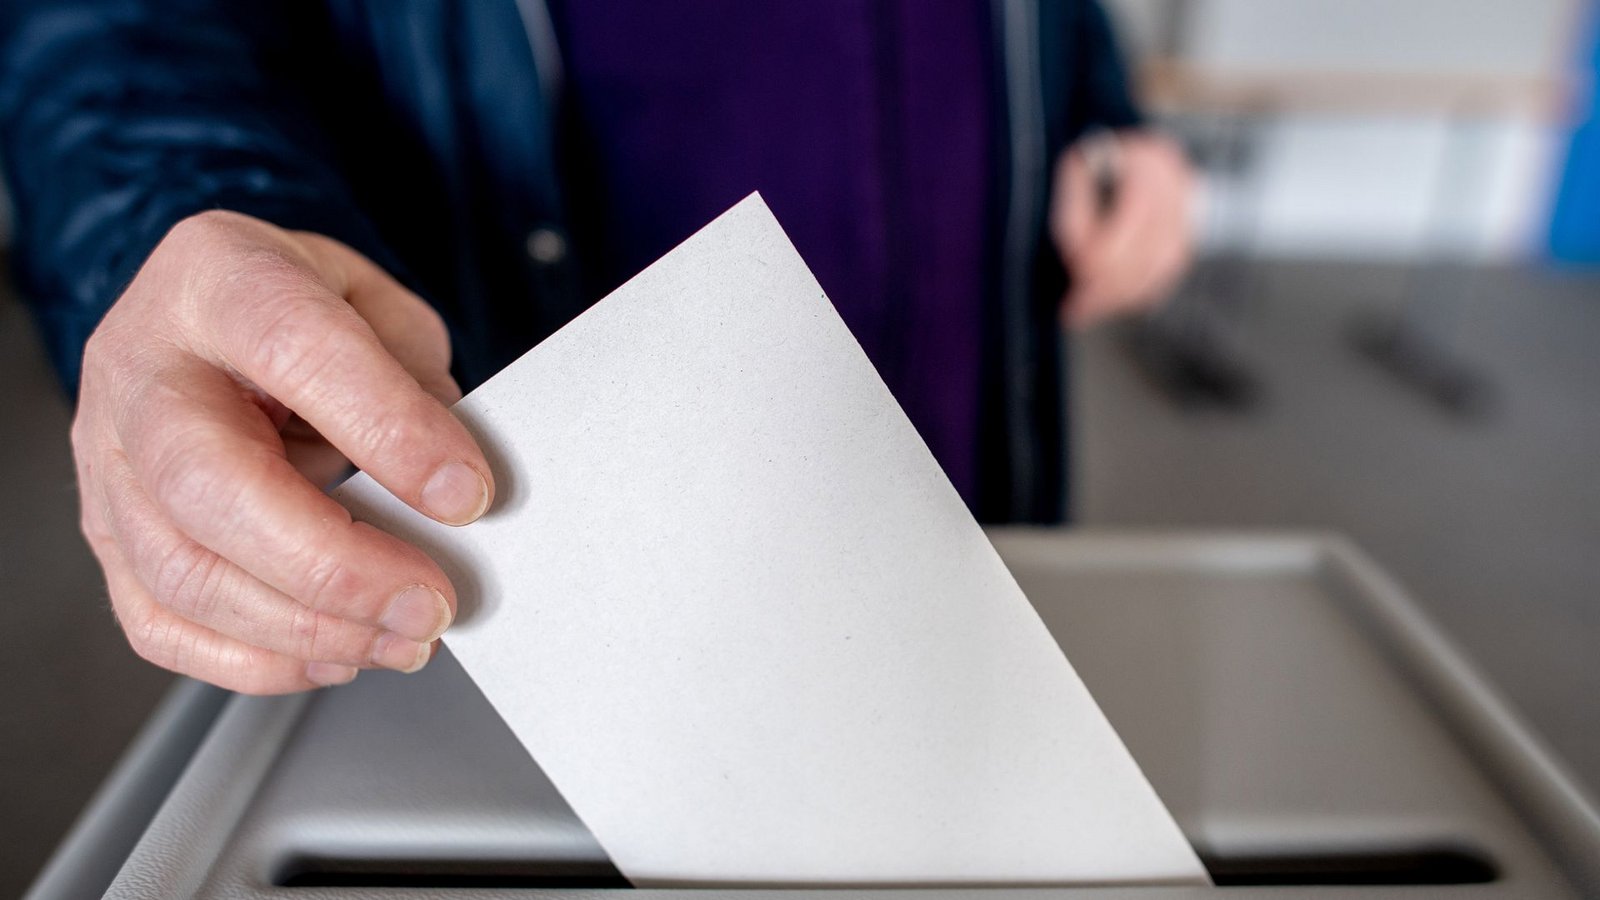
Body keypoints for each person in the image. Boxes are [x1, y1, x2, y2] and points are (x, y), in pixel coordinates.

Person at [0, 1, 1194, 693]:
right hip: (543, 490)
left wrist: (1097, 104)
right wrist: (176, 217)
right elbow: (118, 28)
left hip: (961, 409)